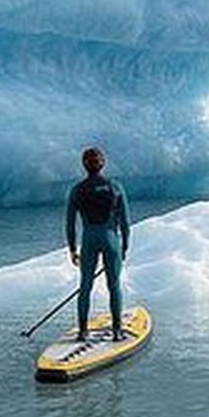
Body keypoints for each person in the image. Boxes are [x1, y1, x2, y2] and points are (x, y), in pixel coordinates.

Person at [65, 146, 131, 341]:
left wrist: (72, 249)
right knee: (114, 285)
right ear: (103, 164)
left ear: (84, 165)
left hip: (89, 240)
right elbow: (125, 222)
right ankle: (117, 331)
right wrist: (125, 246)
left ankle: (83, 331)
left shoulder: (77, 190)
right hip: (111, 240)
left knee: (85, 285)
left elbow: (69, 224)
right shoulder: (115, 187)